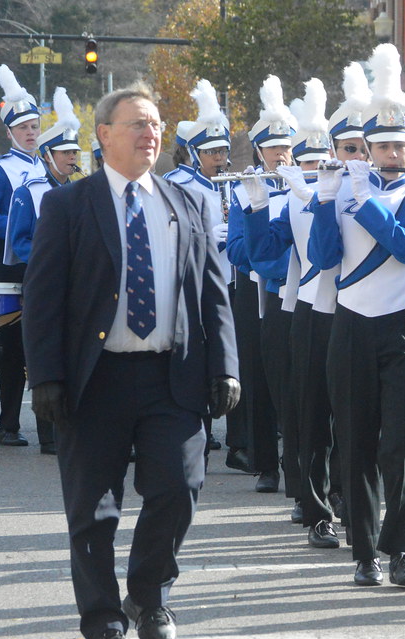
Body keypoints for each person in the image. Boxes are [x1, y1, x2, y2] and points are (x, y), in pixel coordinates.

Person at [22, 83, 239, 639]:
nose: (151, 133)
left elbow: (212, 292)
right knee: (93, 509)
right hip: (95, 380)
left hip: (173, 376)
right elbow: (42, 298)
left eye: (156, 124)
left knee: (179, 489)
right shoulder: (69, 205)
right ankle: (103, 624)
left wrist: (225, 365)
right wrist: (45, 375)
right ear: (104, 135)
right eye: (138, 124)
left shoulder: (185, 203)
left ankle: (148, 597)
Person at [308, 43, 405, 588]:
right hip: (350, 327)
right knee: (357, 441)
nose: (391, 154)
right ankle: (364, 552)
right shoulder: (344, 189)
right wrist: (325, 200)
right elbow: (323, 259)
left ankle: (401, 550)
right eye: (381, 145)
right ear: (365, 148)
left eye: (399, 145)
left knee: (402, 442)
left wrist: (362, 200)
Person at [244, 76, 346, 549]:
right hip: (307, 311)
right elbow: (263, 258)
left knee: (354, 414)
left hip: (355, 312)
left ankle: (348, 496)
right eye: (305, 163)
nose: (313, 170)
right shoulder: (290, 203)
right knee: (309, 415)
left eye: (322, 162)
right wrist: (259, 205)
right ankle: (313, 501)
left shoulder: (356, 196)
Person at [224, 75, 294, 500]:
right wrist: (268, 256)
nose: (282, 154)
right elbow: (235, 248)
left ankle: (300, 462)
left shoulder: (306, 186)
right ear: (259, 151)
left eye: (287, 145)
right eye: (274, 147)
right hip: (256, 293)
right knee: (260, 380)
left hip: (298, 293)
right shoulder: (243, 189)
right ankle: (265, 464)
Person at [6, 86, 84, 456]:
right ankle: (48, 434)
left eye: (75, 153)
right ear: (48, 155)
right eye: (66, 153)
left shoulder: (81, 192)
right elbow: (18, 240)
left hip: (75, 287)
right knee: (43, 352)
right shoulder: (29, 190)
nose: (72, 159)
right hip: (40, 285)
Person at [162, 79, 232, 462]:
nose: (219, 157)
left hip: (228, 281)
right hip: (190, 284)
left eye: (222, 149)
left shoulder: (231, 183)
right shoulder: (177, 183)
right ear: (193, 153)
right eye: (211, 151)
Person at [0, 65, 45, 448]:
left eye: (34, 126)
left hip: (38, 266)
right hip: (6, 267)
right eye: (23, 128)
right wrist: (19, 225)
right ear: (9, 133)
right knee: (7, 347)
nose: (31, 133)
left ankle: (21, 423)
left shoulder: (44, 166)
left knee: (29, 346)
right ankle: (7, 425)